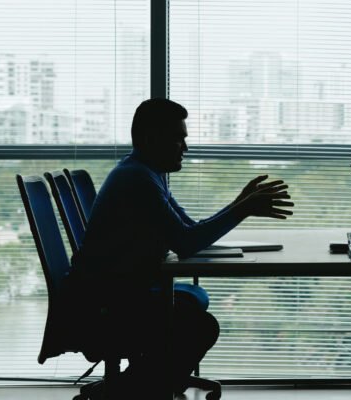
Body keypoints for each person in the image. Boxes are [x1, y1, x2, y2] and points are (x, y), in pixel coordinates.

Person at [66, 98, 294, 396]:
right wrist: (242, 210)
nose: (185, 148)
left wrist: (239, 204)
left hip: (121, 291)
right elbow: (186, 243)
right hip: (111, 301)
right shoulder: (137, 179)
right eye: (178, 139)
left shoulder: (147, 173)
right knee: (200, 327)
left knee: (190, 315)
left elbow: (187, 229)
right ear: (151, 139)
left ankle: (137, 386)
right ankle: (138, 389)